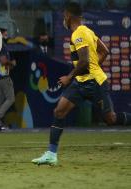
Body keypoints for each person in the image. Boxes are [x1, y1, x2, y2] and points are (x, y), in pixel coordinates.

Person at [31, 2, 131, 166]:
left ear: (69, 16)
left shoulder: (78, 33)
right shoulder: (88, 31)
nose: (64, 18)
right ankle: (51, 154)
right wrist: (92, 67)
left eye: (64, 15)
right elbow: (104, 51)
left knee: (110, 119)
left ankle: (51, 153)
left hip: (94, 82)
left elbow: (84, 61)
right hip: (81, 82)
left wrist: (69, 77)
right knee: (59, 111)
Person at [0, 28, 16, 128]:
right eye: (4, 34)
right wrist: (12, 63)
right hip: (3, 77)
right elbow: (3, 61)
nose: (6, 36)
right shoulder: (2, 46)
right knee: (11, 98)